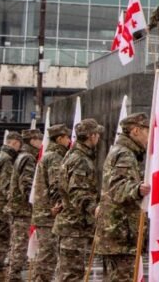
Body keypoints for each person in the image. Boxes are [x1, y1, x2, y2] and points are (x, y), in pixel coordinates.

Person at [94, 113, 151, 281]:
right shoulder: (125, 154)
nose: (149, 136)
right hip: (120, 234)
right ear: (135, 131)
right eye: (147, 131)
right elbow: (118, 187)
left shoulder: (122, 152)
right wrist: (138, 189)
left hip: (117, 234)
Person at [54, 119, 104, 282]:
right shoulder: (80, 159)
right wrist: (93, 208)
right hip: (74, 227)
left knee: (67, 274)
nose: (98, 138)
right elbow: (77, 191)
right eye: (96, 134)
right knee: (72, 275)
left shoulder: (73, 155)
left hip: (71, 225)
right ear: (90, 136)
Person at [27, 124, 71, 282]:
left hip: (43, 212)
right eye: (67, 137)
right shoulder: (55, 157)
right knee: (48, 256)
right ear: (60, 139)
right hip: (48, 214)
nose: (69, 141)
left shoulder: (49, 155)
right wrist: (59, 204)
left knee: (46, 254)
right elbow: (56, 185)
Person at [5, 128, 44, 278]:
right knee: (20, 242)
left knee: (17, 241)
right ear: (33, 140)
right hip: (22, 208)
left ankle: (13, 270)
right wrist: (35, 201)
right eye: (39, 139)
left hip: (17, 206)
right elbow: (27, 184)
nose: (41, 142)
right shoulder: (28, 158)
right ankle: (14, 273)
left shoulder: (21, 155)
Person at [0, 131, 22, 277]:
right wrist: (13, 198)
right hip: (1, 205)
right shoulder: (7, 159)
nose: (19, 148)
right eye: (19, 145)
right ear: (14, 142)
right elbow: (6, 183)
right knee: (1, 236)